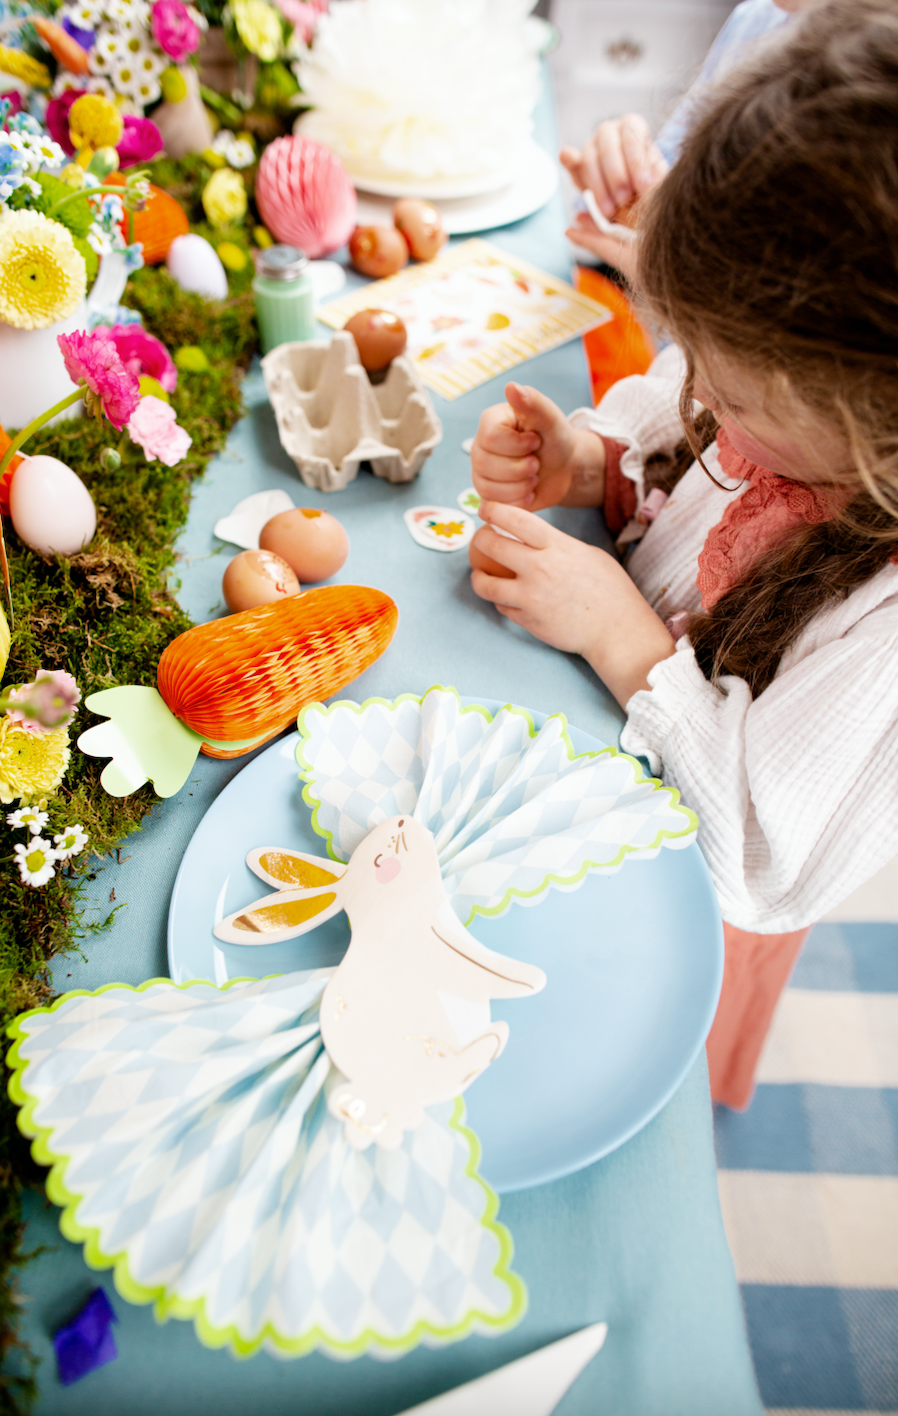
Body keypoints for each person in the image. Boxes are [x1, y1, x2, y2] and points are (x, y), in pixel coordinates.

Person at [468, 0, 898, 1108]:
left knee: (624, 1076)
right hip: (607, 791)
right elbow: (686, 421)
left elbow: (759, 853)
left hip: (693, 903)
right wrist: (590, 462)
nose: (698, 392)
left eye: (735, 387)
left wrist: (620, 634)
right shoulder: (786, 405)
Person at [561, 0, 814, 279]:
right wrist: (623, 180)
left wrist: (678, 274)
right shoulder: (755, 20)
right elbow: (665, 177)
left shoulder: (856, 78)